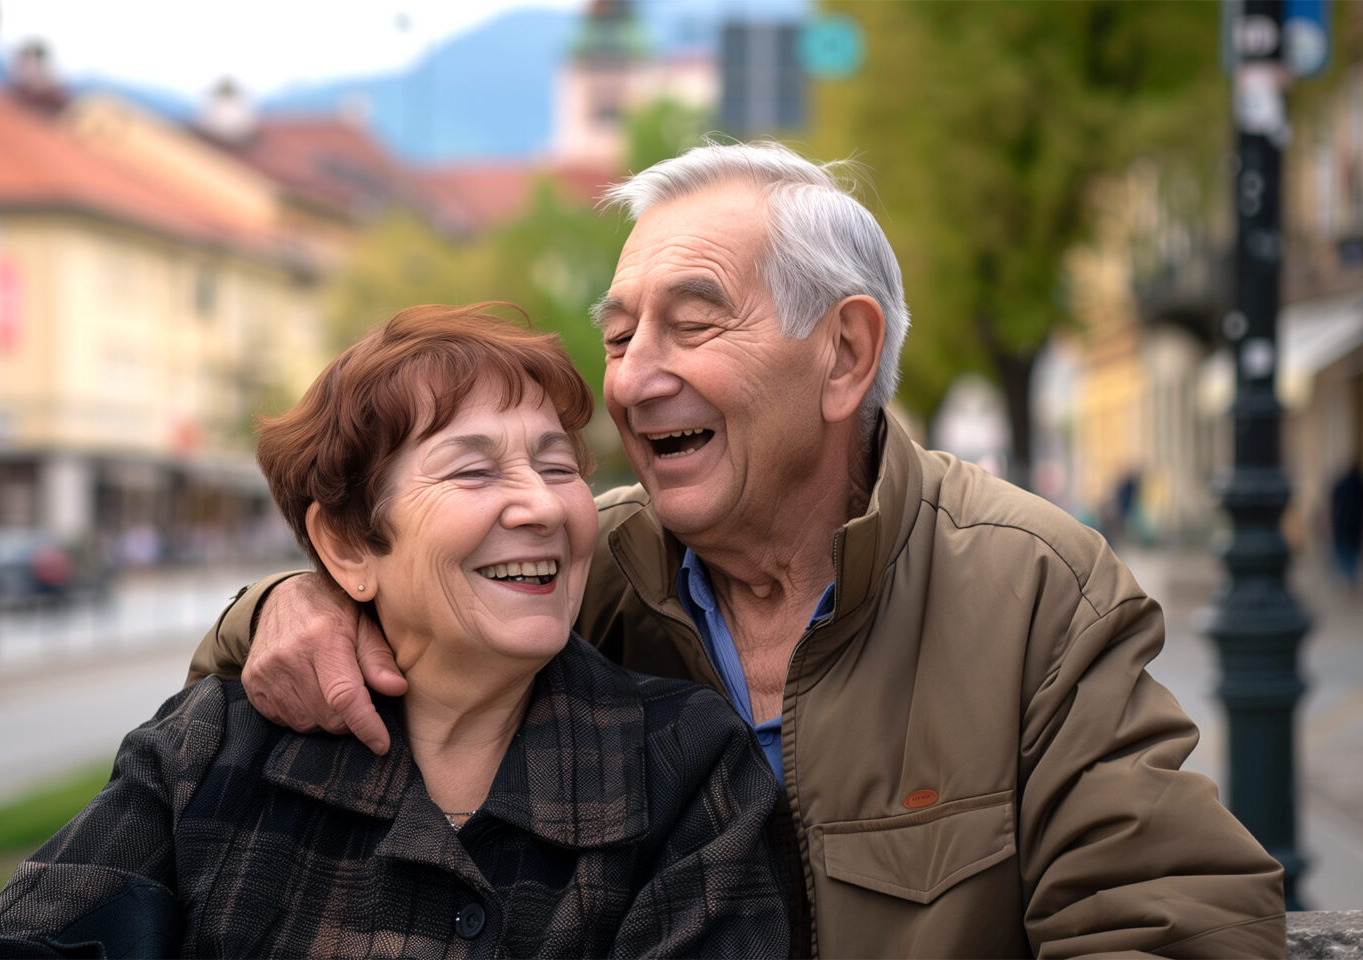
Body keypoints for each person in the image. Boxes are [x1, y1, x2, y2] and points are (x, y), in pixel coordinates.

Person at [190, 143, 1286, 957]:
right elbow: (371, 608)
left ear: (844, 354)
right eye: (618, 334)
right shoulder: (575, 568)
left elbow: (1166, 919)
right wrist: (294, 607)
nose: (630, 377)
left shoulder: (1030, 586)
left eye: (692, 321)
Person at [0, 304, 787, 958]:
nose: (542, 505)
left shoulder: (686, 769)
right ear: (347, 543)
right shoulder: (214, 748)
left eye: (557, 464)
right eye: (473, 469)